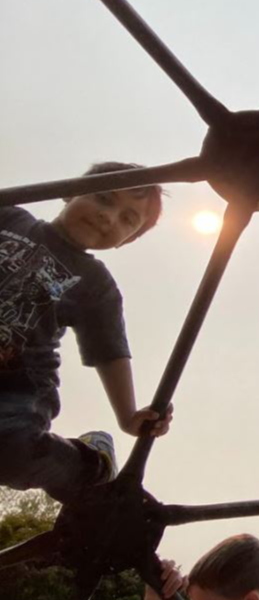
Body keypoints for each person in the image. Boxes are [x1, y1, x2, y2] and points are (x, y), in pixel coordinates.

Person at [0, 162, 171, 502]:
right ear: (67, 189)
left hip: (17, 385)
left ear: (129, 240)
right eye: (104, 199)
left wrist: (128, 416)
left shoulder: (95, 283)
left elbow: (110, 351)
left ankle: (89, 462)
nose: (109, 217)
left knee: (12, 453)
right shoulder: (9, 216)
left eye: (127, 220)